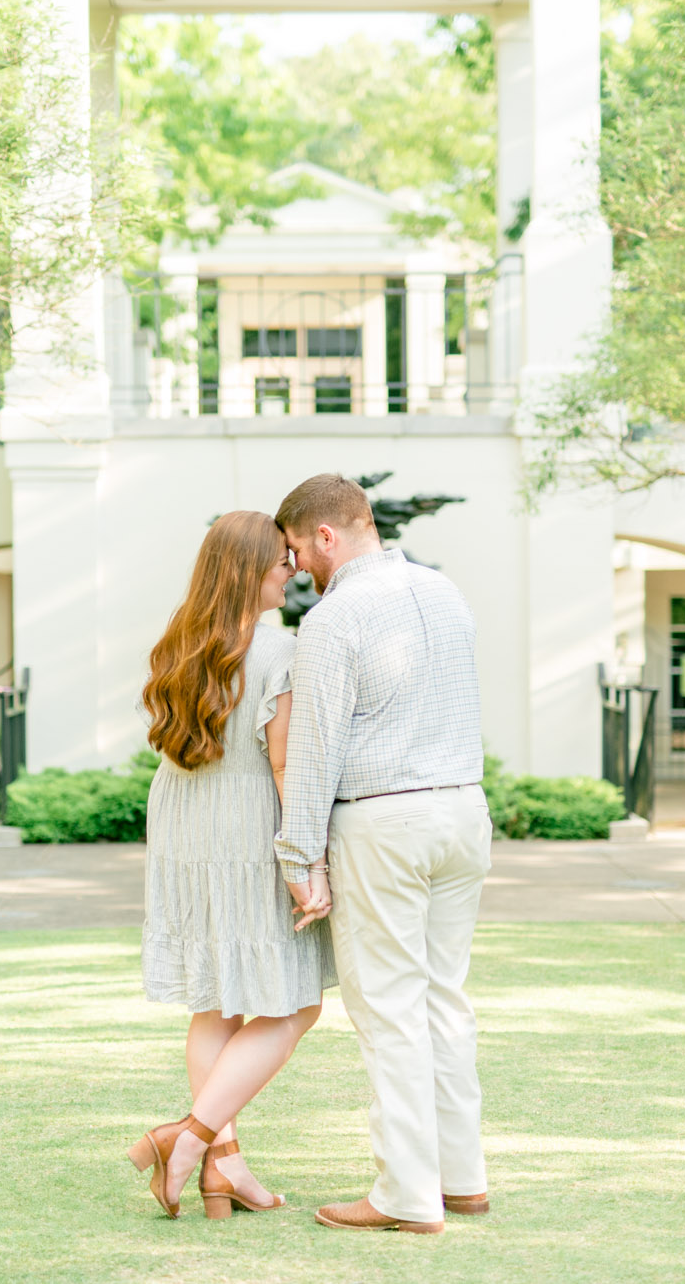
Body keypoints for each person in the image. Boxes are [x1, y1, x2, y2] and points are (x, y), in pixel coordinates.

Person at [273, 473, 492, 1236]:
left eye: (298, 548)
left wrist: (300, 858)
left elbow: (316, 745)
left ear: (327, 535)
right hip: (464, 808)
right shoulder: (445, 592)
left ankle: (405, 1193)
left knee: (390, 1010)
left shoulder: (335, 618)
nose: (299, 566)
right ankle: (462, 1178)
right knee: (444, 999)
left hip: (384, 819)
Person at [126, 510, 335, 1220]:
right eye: (281, 557)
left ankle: (226, 1167)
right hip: (245, 824)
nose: (294, 568)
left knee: (216, 997)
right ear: (250, 568)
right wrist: (303, 858)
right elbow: (282, 762)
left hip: (186, 818)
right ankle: (187, 1137)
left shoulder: (181, 640)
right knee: (295, 1001)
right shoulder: (281, 650)